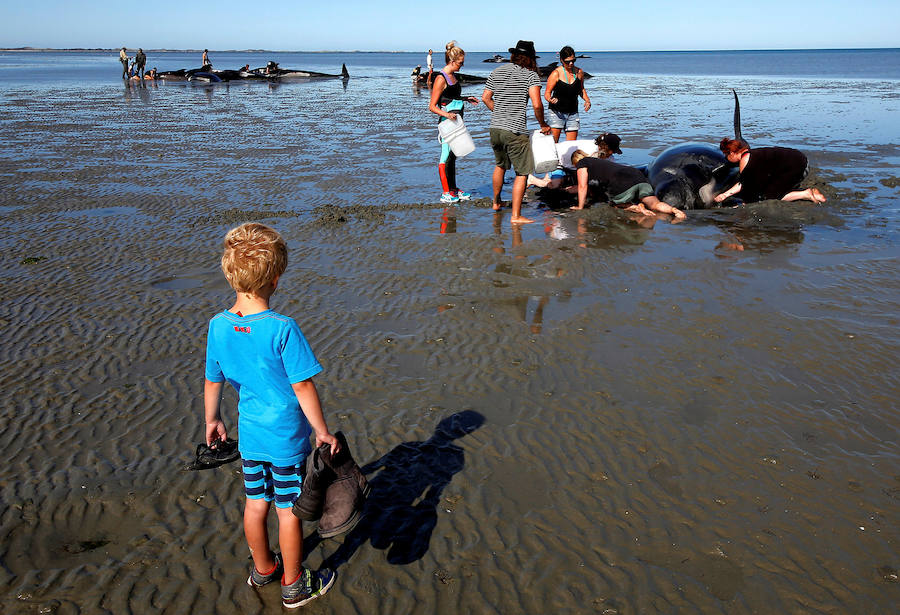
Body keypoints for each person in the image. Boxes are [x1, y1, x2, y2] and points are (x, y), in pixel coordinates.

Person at [203, 223, 339, 609]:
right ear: (276, 280)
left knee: (255, 501)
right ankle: (294, 583)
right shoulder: (282, 329)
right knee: (289, 508)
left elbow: (213, 381)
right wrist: (322, 432)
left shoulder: (218, 325)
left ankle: (263, 568)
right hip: (284, 439)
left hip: (250, 435)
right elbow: (303, 387)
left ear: (230, 275)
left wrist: (212, 421)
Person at [481, 39, 551, 224]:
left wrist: (499, 113)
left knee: (500, 165)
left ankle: (496, 203)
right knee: (522, 173)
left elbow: (485, 98)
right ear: (529, 58)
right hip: (515, 130)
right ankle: (516, 216)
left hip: (495, 128)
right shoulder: (531, 76)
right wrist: (543, 124)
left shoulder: (496, 71)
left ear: (513, 55)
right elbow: (537, 104)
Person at [429, 42, 480, 203]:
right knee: (445, 157)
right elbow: (432, 106)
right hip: (447, 122)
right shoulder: (440, 78)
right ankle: (446, 193)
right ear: (452, 61)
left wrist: (466, 98)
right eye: (460, 62)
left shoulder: (454, 77)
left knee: (453, 156)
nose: (462, 65)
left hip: (457, 121)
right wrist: (446, 114)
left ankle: (453, 189)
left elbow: (451, 97)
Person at [570, 149, 686, 220]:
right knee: (655, 204)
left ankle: (638, 208)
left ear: (575, 162)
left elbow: (582, 186)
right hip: (637, 175)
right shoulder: (597, 161)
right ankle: (674, 211)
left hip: (621, 181)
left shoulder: (582, 163)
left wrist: (580, 207)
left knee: (613, 203)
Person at [714, 138, 826, 204]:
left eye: (726, 156)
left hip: (797, 166)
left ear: (732, 153)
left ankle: (806, 194)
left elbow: (744, 184)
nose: (726, 159)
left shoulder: (745, 160)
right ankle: (807, 192)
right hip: (800, 159)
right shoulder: (751, 153)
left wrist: (724, 195)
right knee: (769, 188)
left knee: (771, 196)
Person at [544, 46, 591, 142]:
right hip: (557, 113)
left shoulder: (579, 72)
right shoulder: (555, 73)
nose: (571, 63)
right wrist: (550, 99)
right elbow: (547, 93)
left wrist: (587, 100)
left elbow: (581, 89)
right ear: (561, 60)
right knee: (553, 144)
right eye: (567, 61)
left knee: (571, 146)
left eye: (573, 60)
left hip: (573, 113)